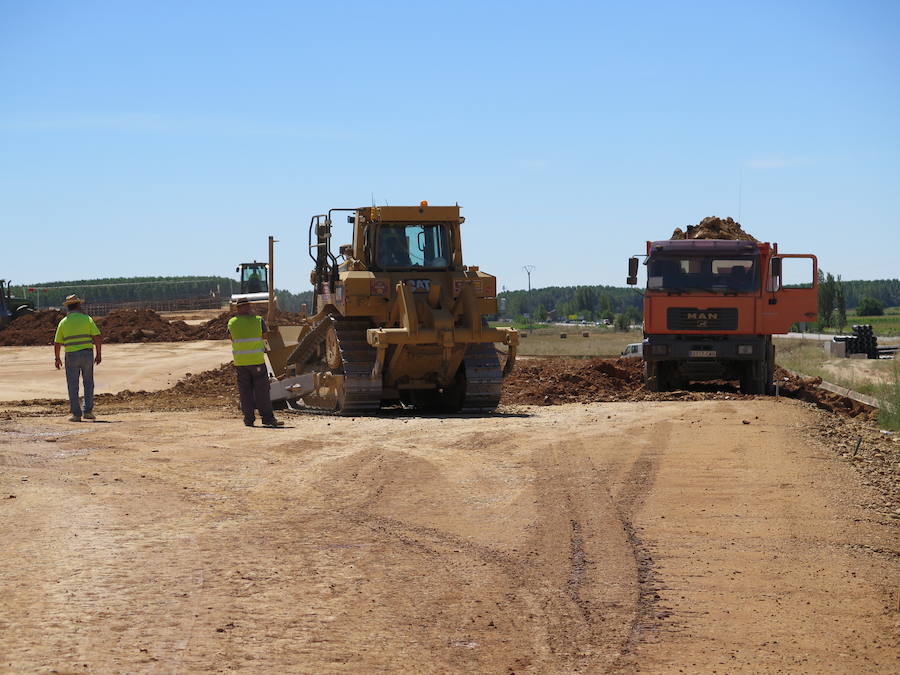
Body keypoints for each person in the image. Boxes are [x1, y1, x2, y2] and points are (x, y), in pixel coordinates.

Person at [227, 298, 283, 428]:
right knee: (262, 391)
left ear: (237, 309)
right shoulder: (258, 320)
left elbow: (231, 338)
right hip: (257, 361)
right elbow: (265, 337)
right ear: (249, 307)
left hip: (240, 363)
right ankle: (268, 419)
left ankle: (249, 420)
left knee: (245, 392)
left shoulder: (232, 323)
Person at [54, 295, 102, 422]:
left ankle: (76, 414)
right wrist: (99, 354)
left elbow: (57, 342)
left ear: (68, 307)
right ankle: (88, 412)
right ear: (79, 305)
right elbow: (97, 336)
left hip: (71, 356)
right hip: (87, 354)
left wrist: (57, 358)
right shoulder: (87, 319)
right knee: (88, 383)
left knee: (73, 385)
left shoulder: (63, 322)